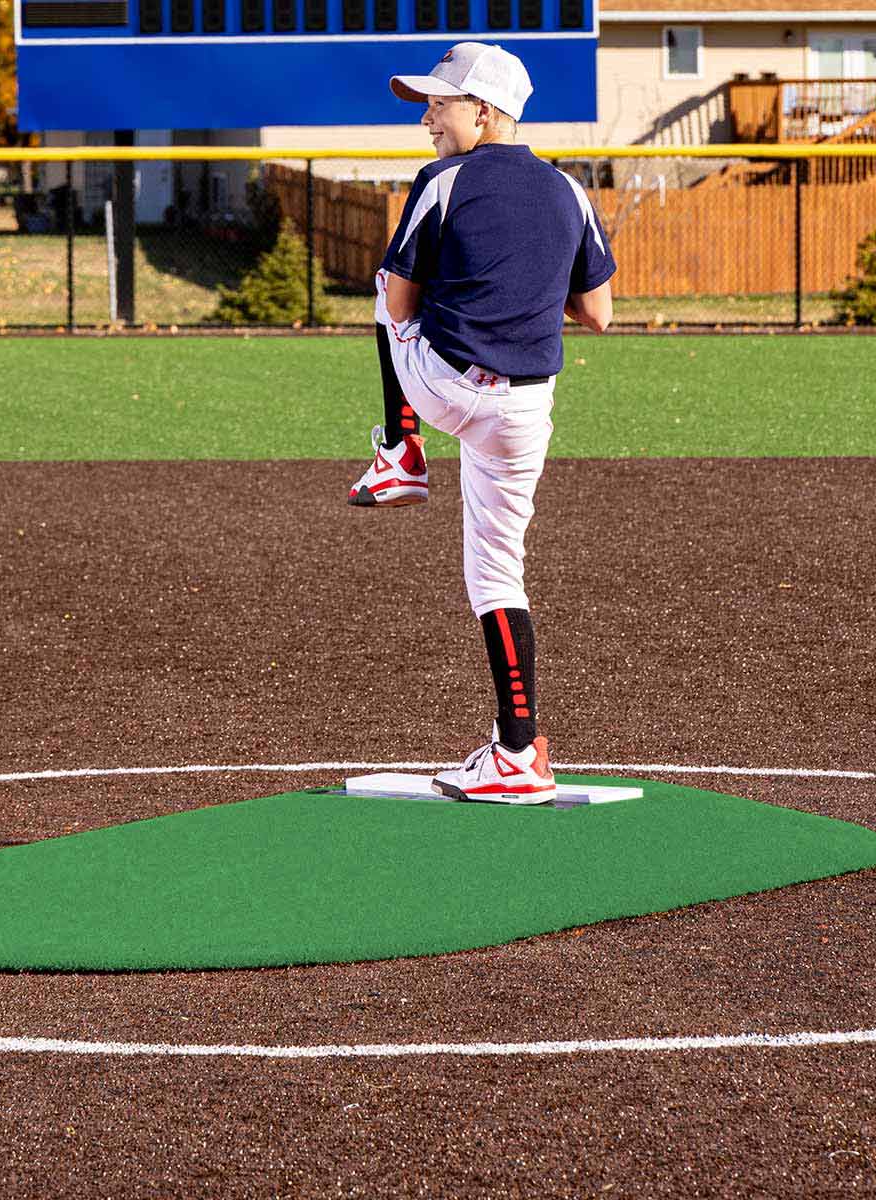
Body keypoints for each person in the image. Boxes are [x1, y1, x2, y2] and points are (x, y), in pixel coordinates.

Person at [347, 41, 616, 804]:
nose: (429, 116)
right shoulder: (570, 190)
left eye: (442, 102)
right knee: (500, 576)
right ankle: (518, 754)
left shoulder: (444, 180)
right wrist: (527, 291)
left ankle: (400, 451)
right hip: (527, 410)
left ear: (486, 112)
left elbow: (400, 304)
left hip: (444, 388)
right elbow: (597, 314)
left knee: (385, 287)